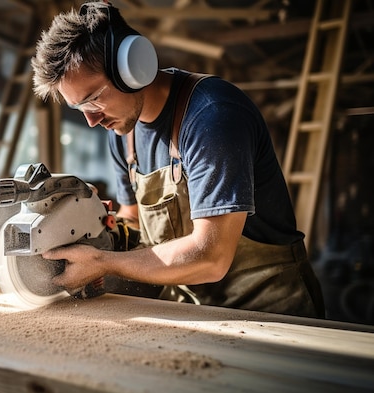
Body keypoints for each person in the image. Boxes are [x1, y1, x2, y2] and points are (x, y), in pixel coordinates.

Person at [30, 1, 325, 318]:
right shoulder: (122, 135)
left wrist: (101, 263)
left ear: (133, 67)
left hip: (271, 311)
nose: (91, 121)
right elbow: (131, 221)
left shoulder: (212, 116)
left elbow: (211, 256)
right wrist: (94, 224)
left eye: (94, 99)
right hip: (195, 309)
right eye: (80, 108)